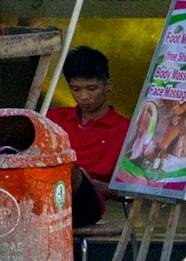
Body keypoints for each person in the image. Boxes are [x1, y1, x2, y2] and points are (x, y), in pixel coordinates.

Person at [51, 43, 128, 226]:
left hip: (88, 203)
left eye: (91, 88)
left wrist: (90, 182)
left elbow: (130, 191)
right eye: (76, 89)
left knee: (67, 170)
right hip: (46, 195)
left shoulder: (125, 130)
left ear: (107, 85)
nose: (84, 96)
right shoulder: (54, 119)